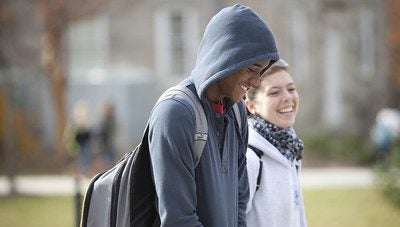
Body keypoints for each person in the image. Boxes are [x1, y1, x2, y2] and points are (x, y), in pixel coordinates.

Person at [148, 4, 279, 226]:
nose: (257, 81)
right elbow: (178, 219)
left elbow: (239, 199)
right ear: (225, 59)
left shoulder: (237, 112)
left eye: (262, 71)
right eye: (251, 69)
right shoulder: (175, 113)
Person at [244, 59, 307, 227]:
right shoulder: (250, 157)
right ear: (252, 106)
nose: (287, 97)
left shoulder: (291, 149)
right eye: (274, 93)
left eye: (291, 89)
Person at [97, 101, 117, 167]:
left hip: (109, 143)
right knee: (104, 159)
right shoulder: (103, 119)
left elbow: (113, 131)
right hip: (104, 143)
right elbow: (100, 132)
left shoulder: (111, 119)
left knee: (110, 159)